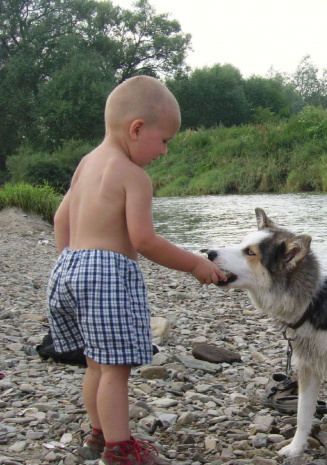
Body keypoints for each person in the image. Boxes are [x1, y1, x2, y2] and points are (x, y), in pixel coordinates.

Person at [47, 75, 227, 465]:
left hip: (67, 269)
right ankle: (120, 450)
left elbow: (62, 219)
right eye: (164, 141)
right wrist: (195, 263)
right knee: (116, 370)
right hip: (105, 276)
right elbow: (144, 241)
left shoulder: (86, 164)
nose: (164, 152)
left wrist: (71, 261)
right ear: (136, 129)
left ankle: (97, 436)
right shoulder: (134, 177)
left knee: (95, 363)